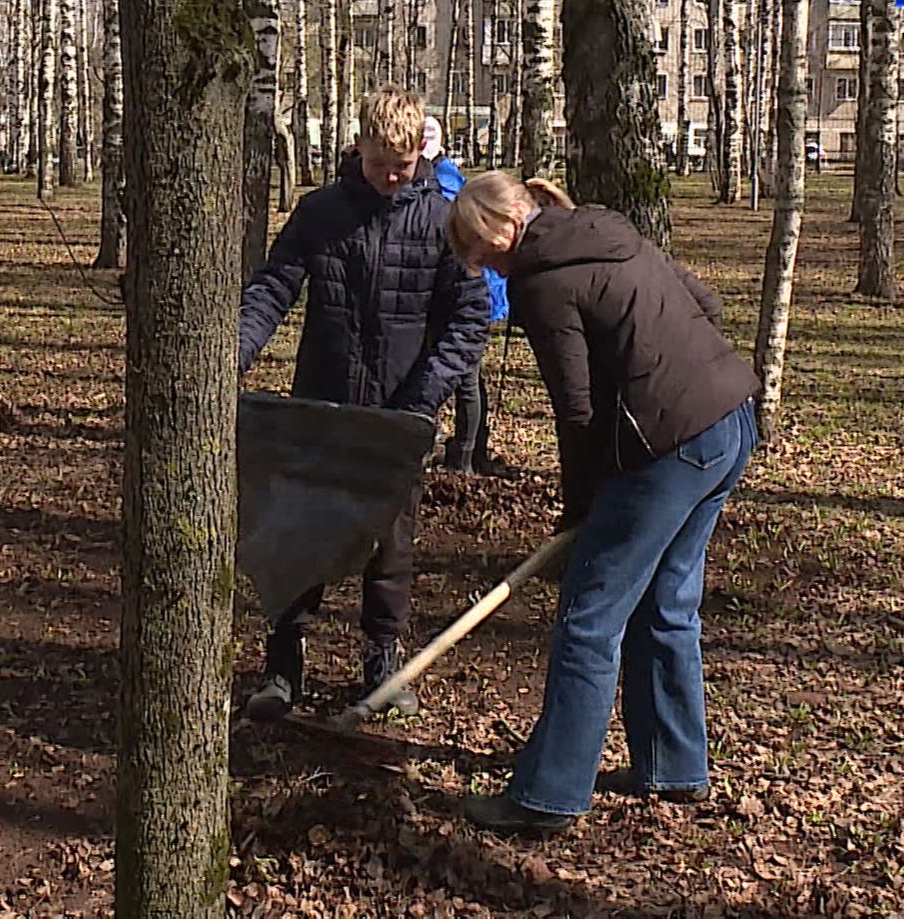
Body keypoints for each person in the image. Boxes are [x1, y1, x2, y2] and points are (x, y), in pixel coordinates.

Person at [444, 173, 758, 834]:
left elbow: (576, 410)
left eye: (480, 248)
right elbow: (705, 304)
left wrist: (579, 507)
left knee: (588, 618)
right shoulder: (605, 228)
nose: (483, 265)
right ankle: (672, 766)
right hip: (730, 419)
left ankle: (548, 797)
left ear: (506, 227)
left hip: (671, 446)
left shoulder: (541, 280)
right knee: (666, 601)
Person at [238, 87, 491, 721]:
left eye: (401, 166)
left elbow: (469, 319)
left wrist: (425, 396)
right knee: (300, 531)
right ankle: (283, 663)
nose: (390, 177)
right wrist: (232, 353)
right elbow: (274, 288)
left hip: (398, 415)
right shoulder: (320, 212)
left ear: (418, 155)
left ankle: (382, 660)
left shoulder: (443, 221)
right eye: (379, 164)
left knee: (391, 544)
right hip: (320, 402)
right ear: (359, 149)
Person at [421, 116, 511, 475]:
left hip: (463, 294)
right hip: (462, 292)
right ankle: (465, 453)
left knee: (465, 378)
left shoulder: (442, 185)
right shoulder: (449, 179)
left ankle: (464, 458)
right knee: (465, 378)